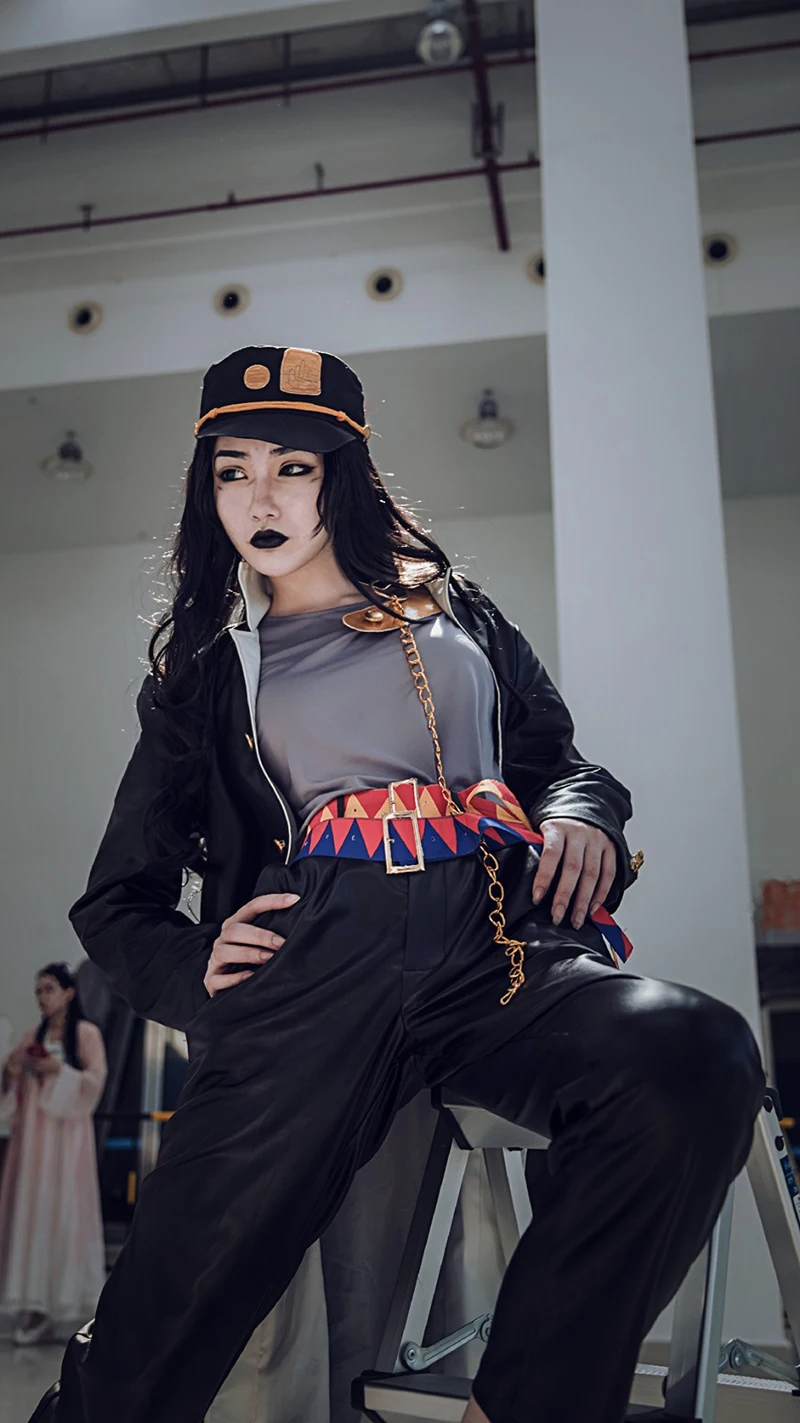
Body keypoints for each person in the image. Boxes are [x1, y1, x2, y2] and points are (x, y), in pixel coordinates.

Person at [30, 345, 764, 1423]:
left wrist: (579, 814)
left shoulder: (456, 611)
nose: (260, 499)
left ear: (344, 475)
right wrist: (199, 970)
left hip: (490, 949)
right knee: (165, 1311)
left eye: (293, 467)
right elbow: (115, 900)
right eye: (233, 471)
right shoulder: (207, 672)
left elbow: (559, 763)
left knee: (692, 1054)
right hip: (313, 969)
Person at [1, 963, 107, 1346]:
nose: (42, 997)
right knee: (33, 1211)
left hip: (69, 1139)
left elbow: (95, 1082)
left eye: (48, 988)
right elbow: (12, 1086)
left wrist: (59, 1070)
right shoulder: (32, 1035)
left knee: (64, 1210)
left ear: (69, 992)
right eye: (38, 991)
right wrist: (13, 1071)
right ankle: (33, 1306)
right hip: (34, 1137)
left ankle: (65, 1303)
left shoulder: (87, 1034)